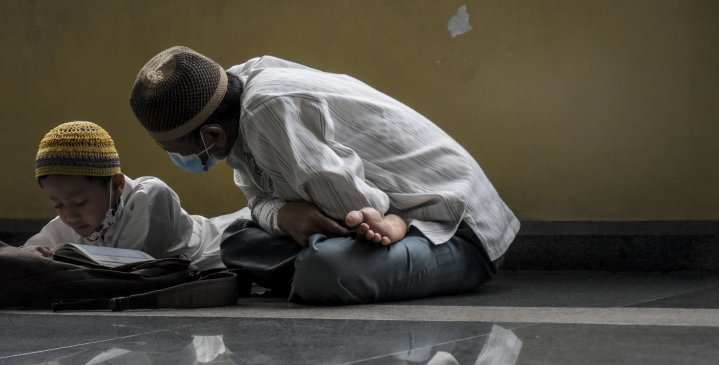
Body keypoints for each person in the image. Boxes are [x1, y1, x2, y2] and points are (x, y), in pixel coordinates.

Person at [129, 47, 520, 302]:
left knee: (325, 270)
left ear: (211, 135)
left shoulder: (265, 110)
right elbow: (258, 199)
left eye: (176, 151)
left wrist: (294, 216)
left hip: (455, 227)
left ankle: (313, 266)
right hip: (370, 216)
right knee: (236, 241)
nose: (179, 159)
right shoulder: (227, 98)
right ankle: (309, 261)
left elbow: (359, 212)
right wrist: (285, 215)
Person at [23, 120, 250, 270]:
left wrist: (56, 260)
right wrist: (33, 254)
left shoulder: (149, 196)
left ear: (117, 185)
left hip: (230, 240)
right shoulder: (71, 223)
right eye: (58, 205)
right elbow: (18, 256)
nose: (70, 215)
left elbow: (128, 271)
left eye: (80, 202)